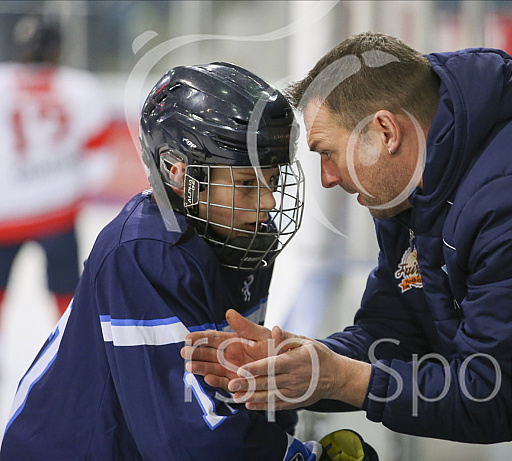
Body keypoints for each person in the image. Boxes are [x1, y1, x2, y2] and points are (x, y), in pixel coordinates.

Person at [183, 32, 512, 460]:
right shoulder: (412, 196)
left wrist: (341, 379)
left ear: (385, 132)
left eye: (328, 153)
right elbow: (393, 332)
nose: (328, 177)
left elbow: (492, 392)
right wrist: (311, 362)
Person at [0, 62, 322, 460]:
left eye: (272, 180)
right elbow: (187, 443)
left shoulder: (245, 235)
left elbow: (236, 387)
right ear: (176, 170)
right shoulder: (143, 253)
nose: (269, 201)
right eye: (246, 183)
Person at [0, 15, 111, 317]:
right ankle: (70, 359)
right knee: (66, 295)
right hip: (58, 212)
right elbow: (99, 165)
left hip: (4, 216)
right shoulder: (83, 88)